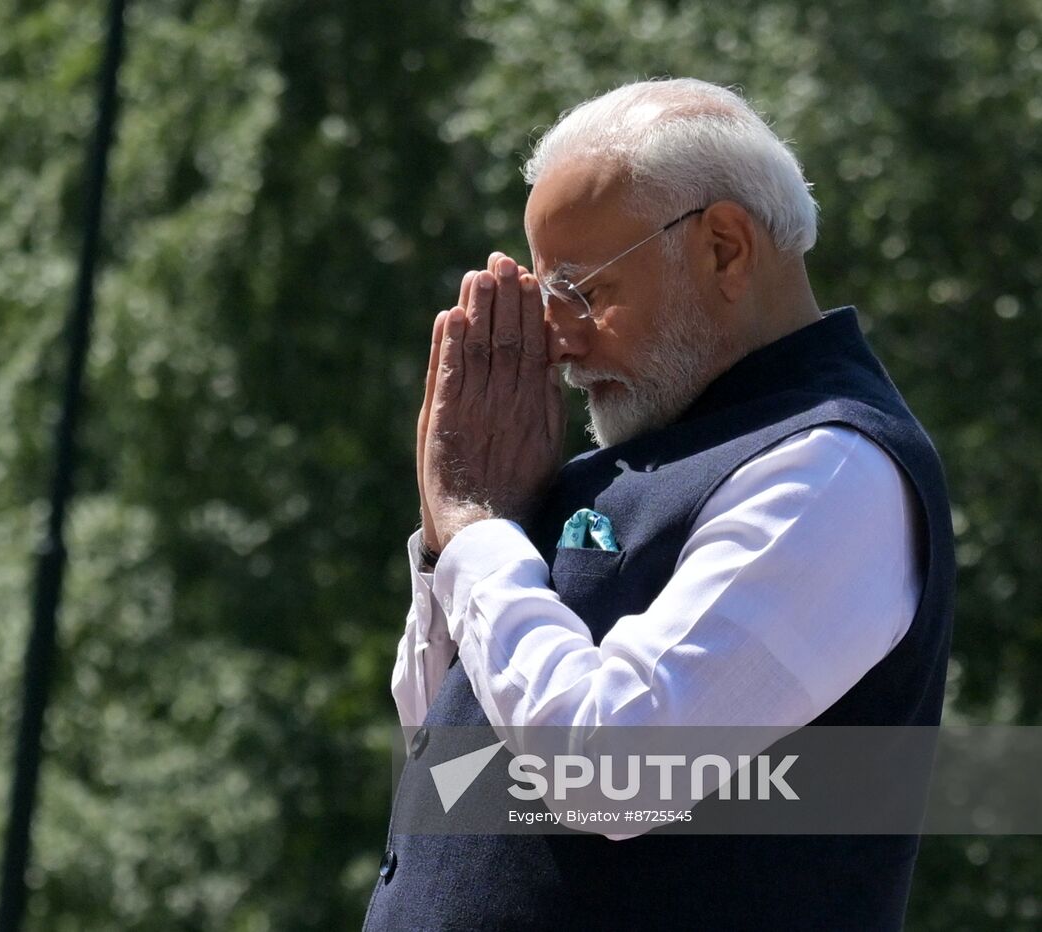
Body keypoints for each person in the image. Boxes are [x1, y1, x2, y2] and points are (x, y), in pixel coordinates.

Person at [364, 78, 955, 931]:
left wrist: (480, 536)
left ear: (724, 248)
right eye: (542, 299)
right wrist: (455, 543)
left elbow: (617, 766)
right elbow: (448, 751)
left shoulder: (832, 468)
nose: (557, 339)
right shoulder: (634, 459)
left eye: (580, 289)